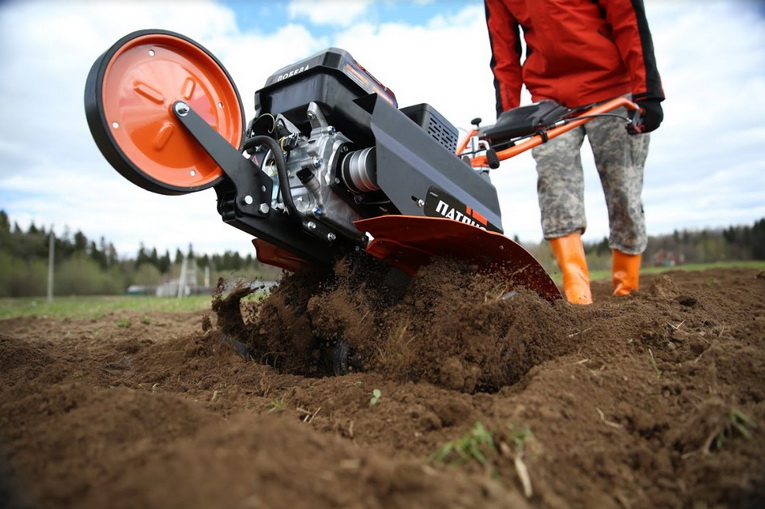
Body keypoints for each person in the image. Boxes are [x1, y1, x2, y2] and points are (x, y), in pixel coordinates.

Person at [484, 0, 665, 304]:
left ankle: (626, 289)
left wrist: (648, 93)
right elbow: (504, 50)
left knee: (624, 191)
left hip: (614, 88)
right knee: (555, 189)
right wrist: (507, 117)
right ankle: (577, 292)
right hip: (551, 101)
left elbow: (628, 19)